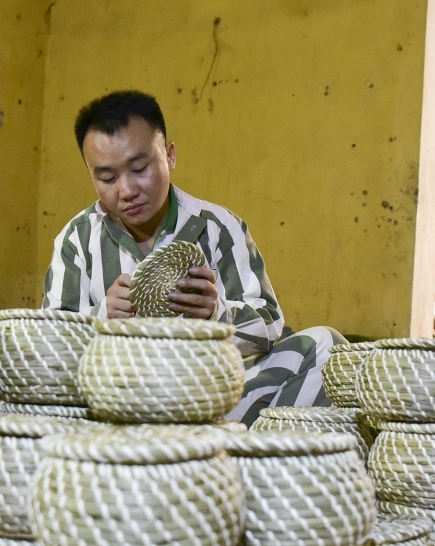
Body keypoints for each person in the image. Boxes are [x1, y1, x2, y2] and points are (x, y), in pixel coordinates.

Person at [42, 90, 345, 425]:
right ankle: (207, 454)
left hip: (209, 400)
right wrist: (101, 320)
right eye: (107, 178)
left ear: (169, 157)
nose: (126, 190)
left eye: (140, 168)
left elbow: (271, 324)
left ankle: (229, 458)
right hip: (118, 404)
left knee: (324, 348)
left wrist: (217, 314)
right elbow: (49, 349)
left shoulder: (219, 227)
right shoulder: (77, 239)